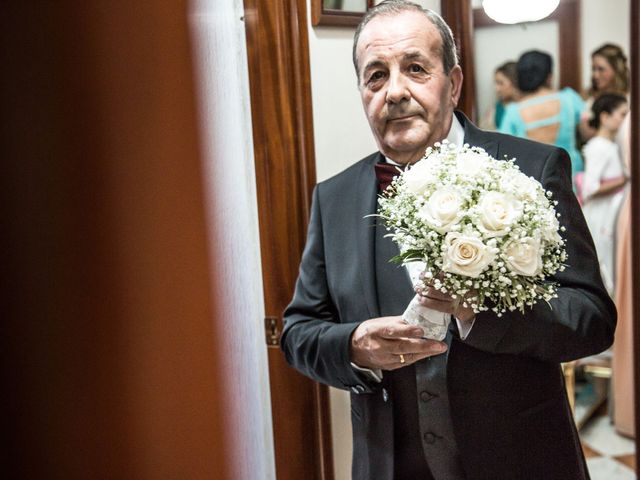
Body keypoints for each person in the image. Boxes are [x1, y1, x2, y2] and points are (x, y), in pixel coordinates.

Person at [280, 2, 616, 479]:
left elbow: (592, 319)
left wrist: (482, 313)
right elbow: (298, 333)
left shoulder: (533, 169)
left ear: (453, 83)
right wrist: (354, 346)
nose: (394, 91)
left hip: (523, 460)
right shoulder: (333, 198)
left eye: (416, 69)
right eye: (376, 76)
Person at [499, 50, 585, 188]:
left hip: (534, 187)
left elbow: (503, 153)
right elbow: (590, 130)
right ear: (549, 77)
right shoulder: (569, 99)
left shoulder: (513, 112)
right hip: (572, 181)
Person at [581, 93, 629, 295]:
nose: (625, 120)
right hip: (601, 214)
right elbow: (590, 188)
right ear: (605, 117)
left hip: (611, 209)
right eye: (622, 114)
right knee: (605, 263)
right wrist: (626, 179)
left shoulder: (611, 145)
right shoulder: (598, 147)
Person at [579, 43, 630, 143]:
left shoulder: (629, 100)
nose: (595, 75)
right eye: (593, 69)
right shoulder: (588, 98)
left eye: (601, 69)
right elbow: (586, 136)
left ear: (616, 69)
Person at [479, 61, 520, 131]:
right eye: (496, 83)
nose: (497, 88)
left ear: (514, 82)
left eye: (501, 83)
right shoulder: (493, 112)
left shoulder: (527, 108)